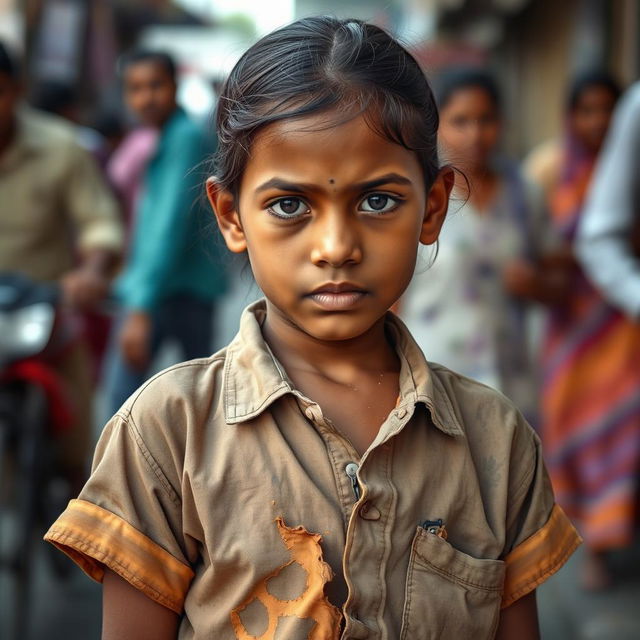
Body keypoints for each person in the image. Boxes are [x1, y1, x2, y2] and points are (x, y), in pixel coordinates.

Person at [45, 18, 581, 639]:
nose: (335, 247)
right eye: (289, 205)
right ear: (231, 215)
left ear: (432, 208)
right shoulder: (166, 433)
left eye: (378, 200)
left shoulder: (497, 441)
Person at [0, 42, 124, 482]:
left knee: (80, 454)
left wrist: (91, 273)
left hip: (45, 314)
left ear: (16, 90)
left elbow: (98, 221)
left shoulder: (61, 147)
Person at [399, 68, 552, 422]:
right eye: (461, 121)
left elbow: (560, 277)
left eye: (486, 120)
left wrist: (536, 284)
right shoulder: (418, 195)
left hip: (510, 375)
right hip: (433, 376)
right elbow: (391, 300)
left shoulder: (523, 194)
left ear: (502, 122)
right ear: (438, 126)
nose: (475, 134)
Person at [102, 50, 227, 416]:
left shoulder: (184, 137)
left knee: (122, 406)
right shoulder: (164, 135)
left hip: (169, 292)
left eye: (156, 85)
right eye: (135, 88)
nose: (146, 98)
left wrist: (140, 307)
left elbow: (168, 226)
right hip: (176, 288)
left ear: (175, 86)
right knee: (200, 406)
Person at [553, 75, 640, 587]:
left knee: (621, 435)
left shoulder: (623, 167)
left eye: (605, 110)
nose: (598, 121)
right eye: (586, 110)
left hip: (619, 327)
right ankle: (590, 550)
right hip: (573, 327)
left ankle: (613, 538)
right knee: (577, 434)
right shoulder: (552, 172)